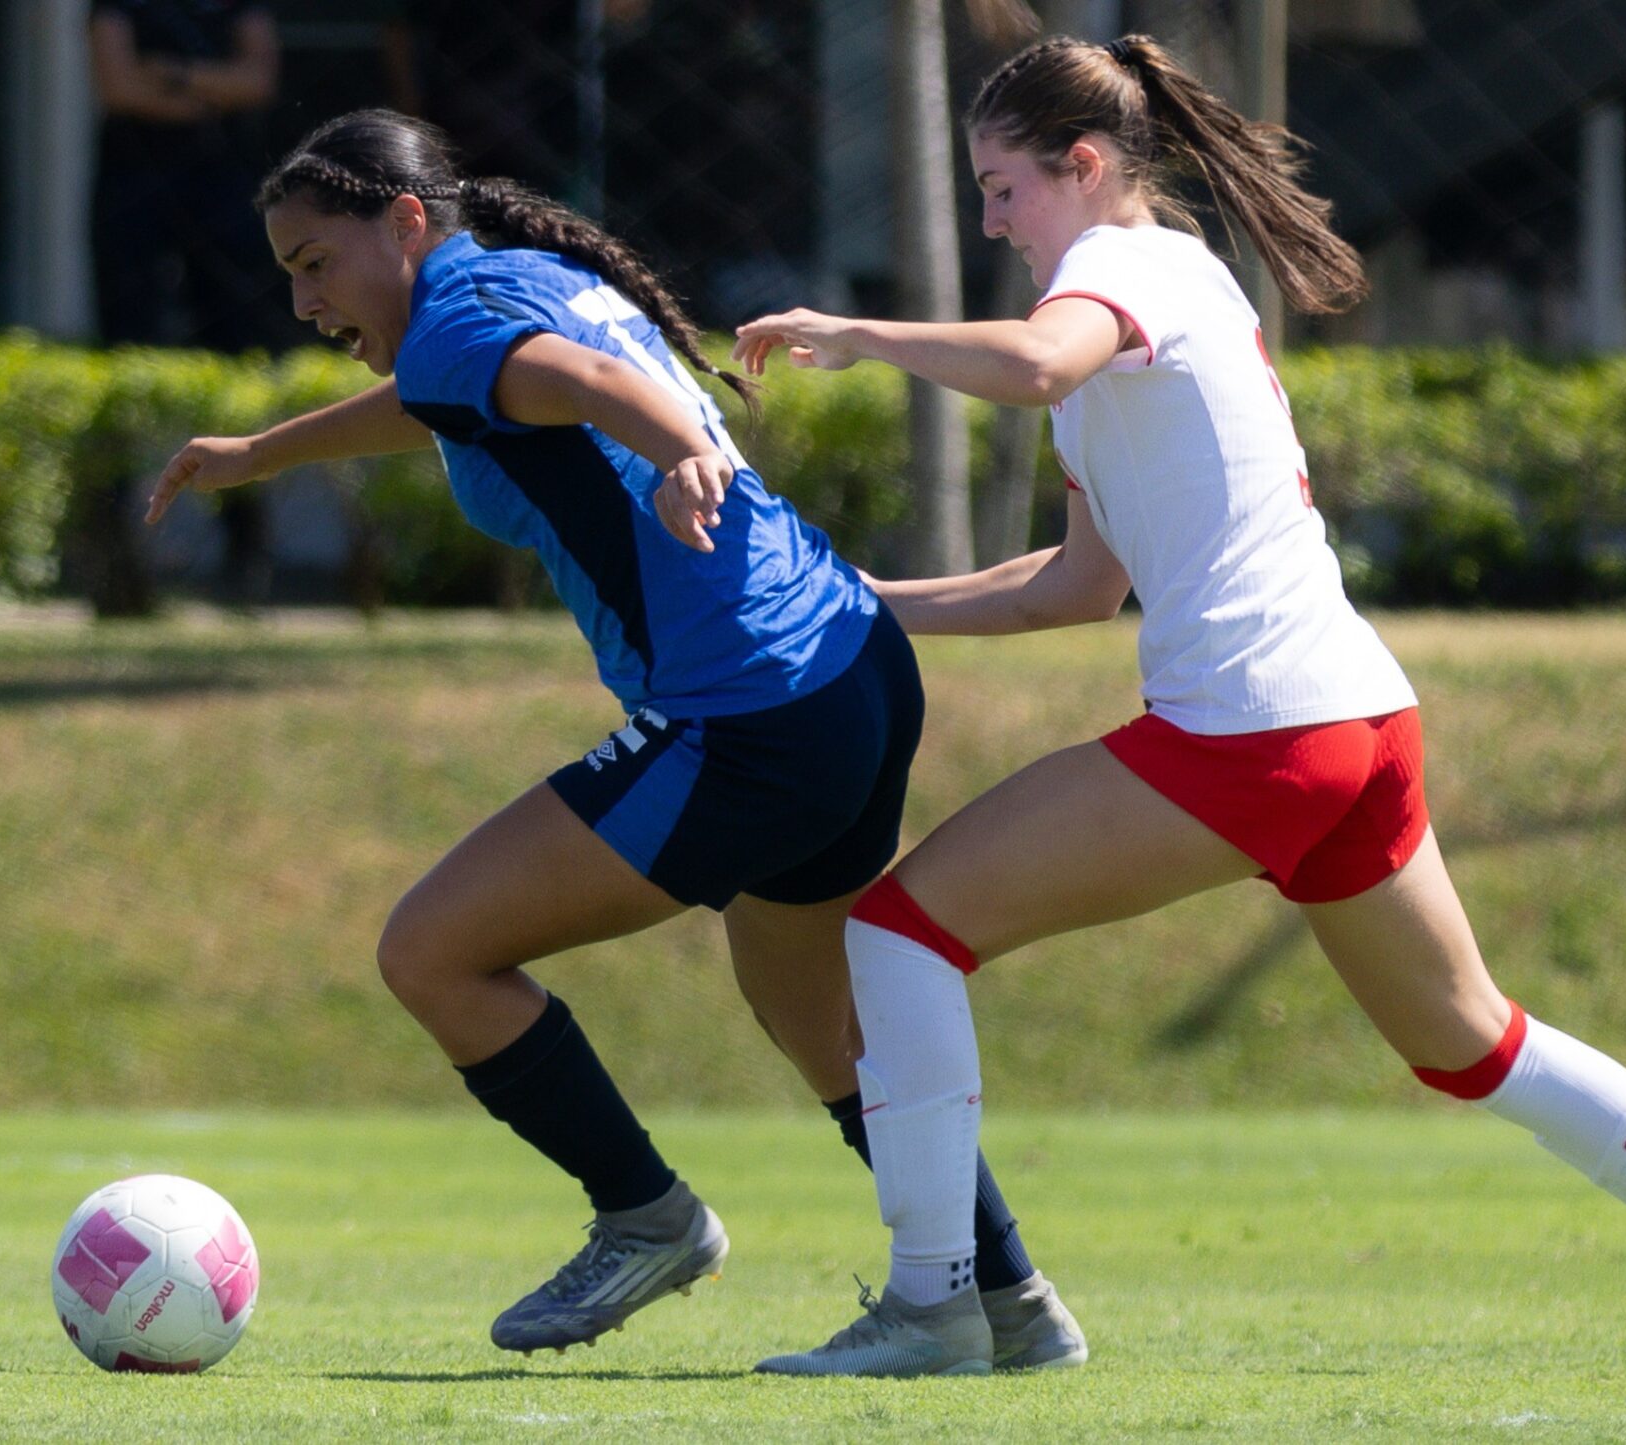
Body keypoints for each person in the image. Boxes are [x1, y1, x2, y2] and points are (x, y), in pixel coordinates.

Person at [688, 34, 1626, 1380]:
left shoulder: (1112, 271)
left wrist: (857, 332)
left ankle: (935, 1305)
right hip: (1357, 722)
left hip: (1253, 732)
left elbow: (1035, 366)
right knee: (1474, 1042)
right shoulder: (1162, 284)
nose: (992, 218)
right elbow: (1076, 586)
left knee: (895, 935)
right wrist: (867, 600)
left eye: (1005, 187)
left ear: (1083, 167)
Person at [145, 109, 1084, 1368]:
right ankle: (1004, 1301)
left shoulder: (465, 326)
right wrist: (263, 451)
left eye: (315, 262)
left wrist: (687, 446)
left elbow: (586, 388)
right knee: (820, 1021)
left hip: (749, 712)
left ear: (406, 221)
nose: (305, 299)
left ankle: (646, 1215)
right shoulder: (516, 288)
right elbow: (462, 400)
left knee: (432, 952)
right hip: (852, 667)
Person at [86, 0, 286, 611]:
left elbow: (259, 80)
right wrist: (208, 87)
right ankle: (121, 552)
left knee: (236, 357)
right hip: (132, 190)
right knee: (125, 355)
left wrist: (170, 75)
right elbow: (118, 86)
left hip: (222, 191)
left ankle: (245, 550)